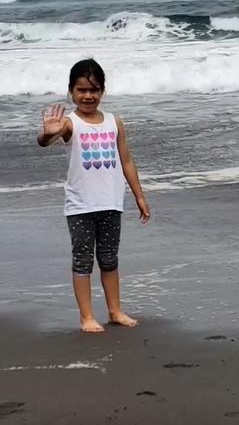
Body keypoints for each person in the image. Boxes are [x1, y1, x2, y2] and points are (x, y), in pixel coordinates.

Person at [36, 58, 151, 333]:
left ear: (103, 91)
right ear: (71, 92)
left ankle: (114, 311)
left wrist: (139, 196)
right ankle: (86, 316)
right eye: (81, 90)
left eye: (94, 89)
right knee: (83, 260)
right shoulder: (68, 123)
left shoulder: (114, 122)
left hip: (111, 203)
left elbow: (126, 161)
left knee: (110, 259)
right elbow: (45, 140)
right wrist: (46, 134)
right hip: (80, 206)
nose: (88, 96)